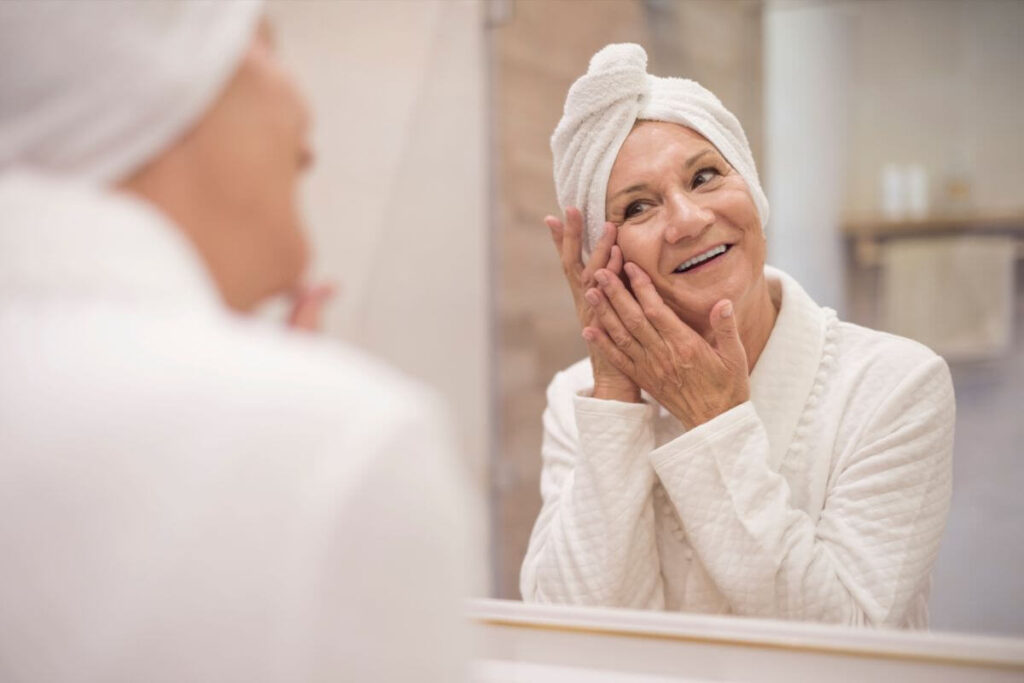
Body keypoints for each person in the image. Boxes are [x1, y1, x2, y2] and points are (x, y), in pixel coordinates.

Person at [0, 2, 473, 680]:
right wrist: (284, 417)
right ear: (166, 78)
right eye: (266, 44)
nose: (309, 134)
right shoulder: (338, 452)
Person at [520, 43, 954, 628]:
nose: (690, 220)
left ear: (750, 188)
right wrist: (617, 395)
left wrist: (714, 423)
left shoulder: (893, 386)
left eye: (705, 176)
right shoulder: (580, 402)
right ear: (603, 258)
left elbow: (847, 643)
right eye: (640, 207)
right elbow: (574, 639)